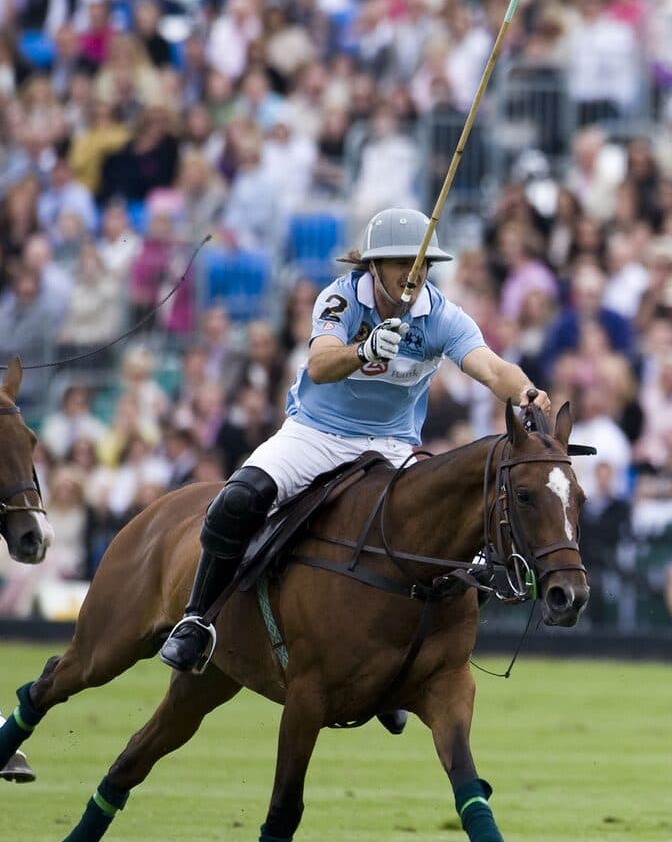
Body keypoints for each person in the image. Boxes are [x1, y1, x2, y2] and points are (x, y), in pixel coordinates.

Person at [155, 208, 553, 685]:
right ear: (372, 266)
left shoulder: (441, 315)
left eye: (423, 263)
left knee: (450, 536)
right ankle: (197, 620)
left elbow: (490, 368)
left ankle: (400, 664)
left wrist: (525, 391)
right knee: (237, 501)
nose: (415, 274)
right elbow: (321, 365)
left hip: (391, 447)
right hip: (317, 434)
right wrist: (363, 350)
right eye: (402, 263)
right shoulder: (341, 300)